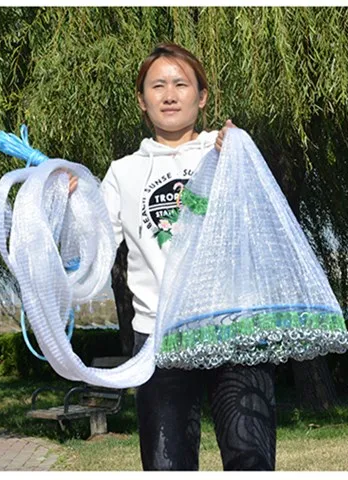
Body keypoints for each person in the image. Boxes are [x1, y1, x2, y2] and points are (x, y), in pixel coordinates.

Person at [69, 43, 276, 471]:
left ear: (202, 97)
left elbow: (262, 225)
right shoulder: (123, 172)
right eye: (157, 86)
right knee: (166, 465)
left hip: (234, 328)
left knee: (250, 459)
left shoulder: (226, 152)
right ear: (141, 101)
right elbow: (92, 248)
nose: (169, 95)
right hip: (159, 338)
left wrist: (240, 153)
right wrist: (71, 203)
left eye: (181, 84)